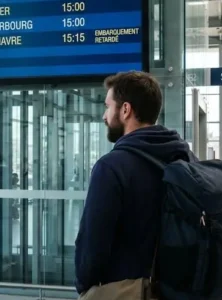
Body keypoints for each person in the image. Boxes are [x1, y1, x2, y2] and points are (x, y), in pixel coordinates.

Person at [75, 71, 195, 296]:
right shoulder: (186, 158)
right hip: (178, 290)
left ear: (125, 110)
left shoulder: (111, 167)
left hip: (130, 290)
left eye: (108, 106)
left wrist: (85, 288)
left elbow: (92, 246)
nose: (104, 116)